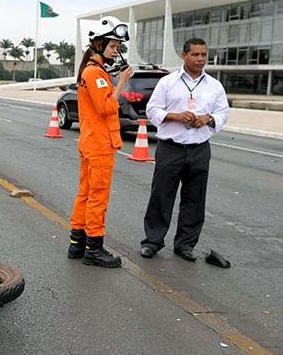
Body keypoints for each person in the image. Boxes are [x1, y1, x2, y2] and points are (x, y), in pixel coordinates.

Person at [139, 37, 229, 262]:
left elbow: (223, 112)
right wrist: (175, 116)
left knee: (195, 199)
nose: (200, 59)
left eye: (203, 55)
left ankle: (185, 244)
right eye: (195, 54)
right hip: (171, 148)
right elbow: (152, 110)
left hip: (199, 149)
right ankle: (152, 242)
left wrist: (208, 119)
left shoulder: (214, 86)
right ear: (184, 55)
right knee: (161, 196)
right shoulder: (168, 82)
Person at [67, 16, 133, 268]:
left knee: (85, 193)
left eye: (118, 47)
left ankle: (77, 244)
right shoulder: (95, 73)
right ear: (99, 44)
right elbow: (106, 107)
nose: (117, 51)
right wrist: (123, 81)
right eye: (114, 46)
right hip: (99, 145)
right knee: (97, 197)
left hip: (91, 141)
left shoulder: (93, 71)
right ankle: (93, 247)